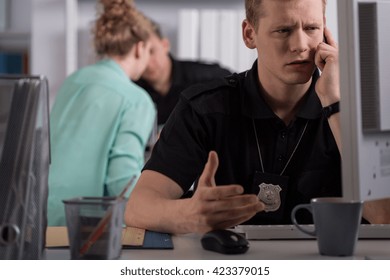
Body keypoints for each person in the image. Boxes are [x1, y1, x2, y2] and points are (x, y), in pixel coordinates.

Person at [124, 0, 388, 234]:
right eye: (283, 30)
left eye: (311, 28)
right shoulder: (203, 107)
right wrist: (190, 215)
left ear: (325, 30)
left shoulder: (359, 106)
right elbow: (137, 208)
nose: (300, 45)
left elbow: (384, 217)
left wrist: (336, 104)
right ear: (250, 34)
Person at [48, 0, 156, 226]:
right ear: (139, 48)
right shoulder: (136, 99)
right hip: (89, 227)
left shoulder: (72, 81)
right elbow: (121, 181)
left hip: (46, 216)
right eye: (150, 50)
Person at [135, 21, 232, 127]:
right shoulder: (131, 90)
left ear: (165, 45)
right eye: (139, 54)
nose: (147, 62)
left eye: (151, 51)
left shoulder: (209, 78)